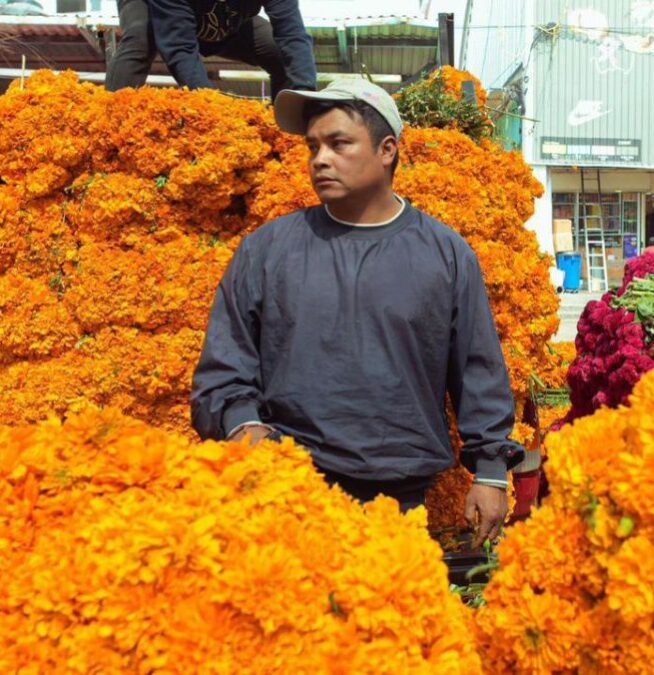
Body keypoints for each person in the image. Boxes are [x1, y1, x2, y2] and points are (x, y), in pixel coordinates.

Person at [190, 77, 522, 544]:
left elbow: (478, 369)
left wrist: (490, 472)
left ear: (387, 150)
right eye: (313, 146)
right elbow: (225, 362)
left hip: (398, 501)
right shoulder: (267, 250)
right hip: (285, 497)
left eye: (338, 143)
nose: (320, 159)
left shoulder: (445, 254)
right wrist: (241, 423)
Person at [106, 0, 317, 97]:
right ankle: (109, 131)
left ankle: (286, 131)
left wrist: (305, 92)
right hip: (158, 10)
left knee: (281, 52)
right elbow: (180, 48)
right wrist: (210, 103)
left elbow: (292, 32)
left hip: (223, 20)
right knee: (140, 35)